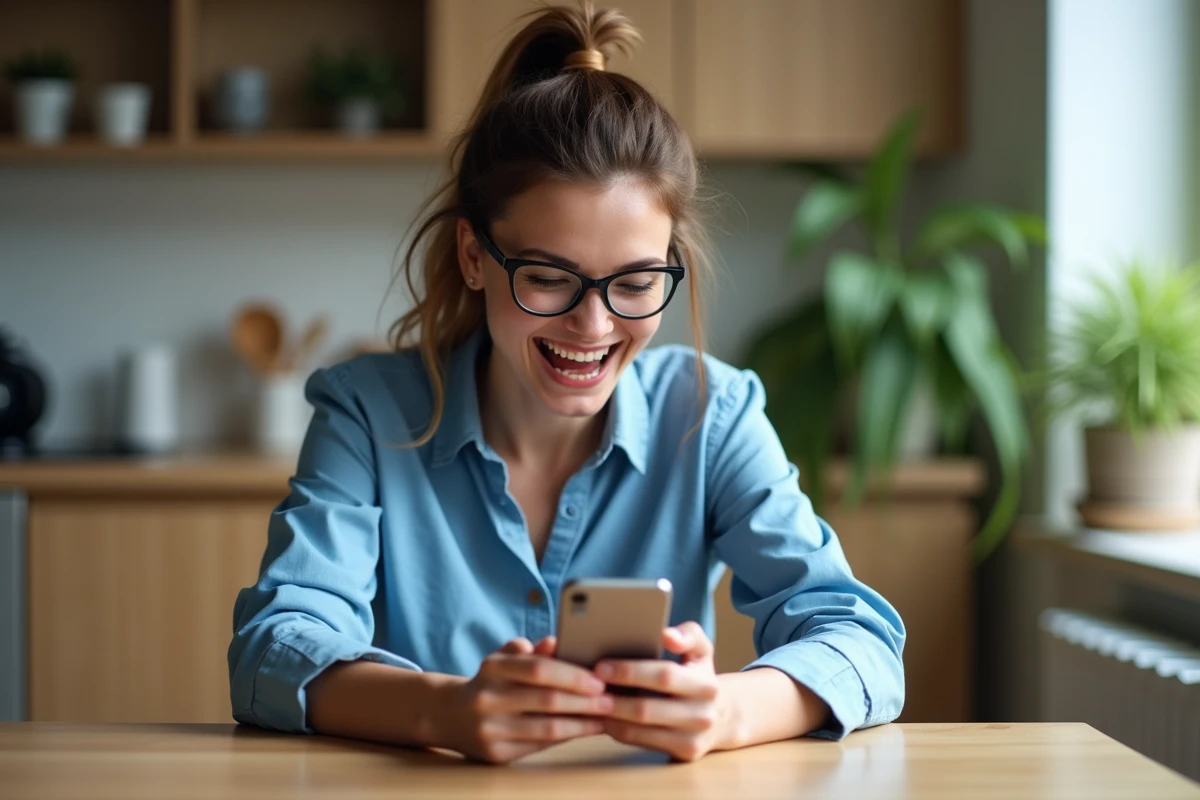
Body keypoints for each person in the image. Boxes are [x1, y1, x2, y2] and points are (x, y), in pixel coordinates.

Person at [228, 1, 904, 765]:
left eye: (637, 281)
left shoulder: (712, 414)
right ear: (474, 257)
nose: (592, 326)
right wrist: (442, 711)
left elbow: (859, 640)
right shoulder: (366, 412)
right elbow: (272, 651)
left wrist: (726, 712)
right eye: (548, 278)